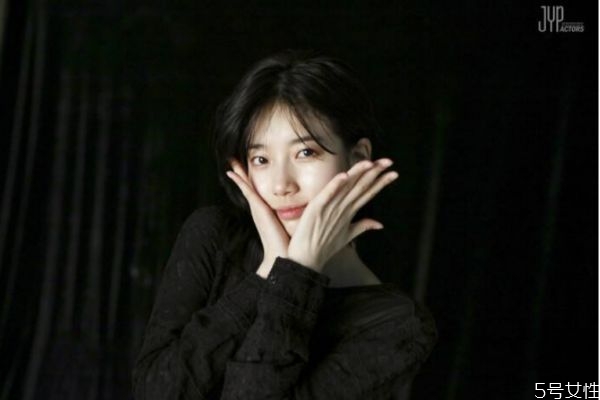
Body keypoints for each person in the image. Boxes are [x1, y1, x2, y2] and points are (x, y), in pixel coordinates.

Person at [132, 50, 437, 399]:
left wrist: (296, 273)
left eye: (305, 152)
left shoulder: (397, 326)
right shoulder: (213, 236)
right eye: (261, 159)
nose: (281, 185)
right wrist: (266, 275)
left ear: (357, 158)